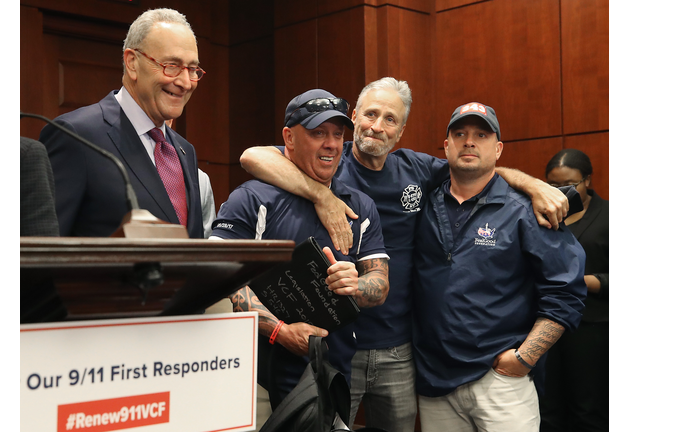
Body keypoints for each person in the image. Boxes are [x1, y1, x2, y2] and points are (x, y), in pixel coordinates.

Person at [240, 78, 570, 432]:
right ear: (354, 118)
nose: (378, 126)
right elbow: (253, 156)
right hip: (333, 347)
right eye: (370, 114)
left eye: (390, 119)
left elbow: (476, 167)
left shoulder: (416, 170)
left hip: (400, 348)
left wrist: (536, 185)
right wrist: (322, 196)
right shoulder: (328, 160)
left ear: (401, 132)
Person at [209, 89, 390, 409]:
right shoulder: (252, 198)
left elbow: (379, 284)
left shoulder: (360, 206)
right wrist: (279, 331)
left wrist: (357, 284)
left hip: (334, 378)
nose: (331, 144)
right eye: (318, 133)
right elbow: (221, 275)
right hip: (257, 378)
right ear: (288, 138)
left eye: (337, 134)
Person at [412, 102, 587, 432]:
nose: (469, 142)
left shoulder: (526, 211)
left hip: (500, 381)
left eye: (481, 134)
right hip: (434, 383)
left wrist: (524, 358)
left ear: (498, 149)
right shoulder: (423, 204)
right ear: (446, 146)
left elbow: (566, 292)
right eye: (460, 134)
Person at [39, 8, 206, 238]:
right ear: (132, 63)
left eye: (192, 69)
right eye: (172, 66)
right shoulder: (76, 136)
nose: (186, 82)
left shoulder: (185, 151)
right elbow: (44, 249)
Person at [540, 149, 609, 432]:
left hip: (592, 328)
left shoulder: (611, 217)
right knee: (548, 408)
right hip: (545, 325)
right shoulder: (539, 216)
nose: (562, 191)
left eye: (570, 183)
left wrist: (584, 281)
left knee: (587, 408)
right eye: (553, 185)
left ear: (587, 181)